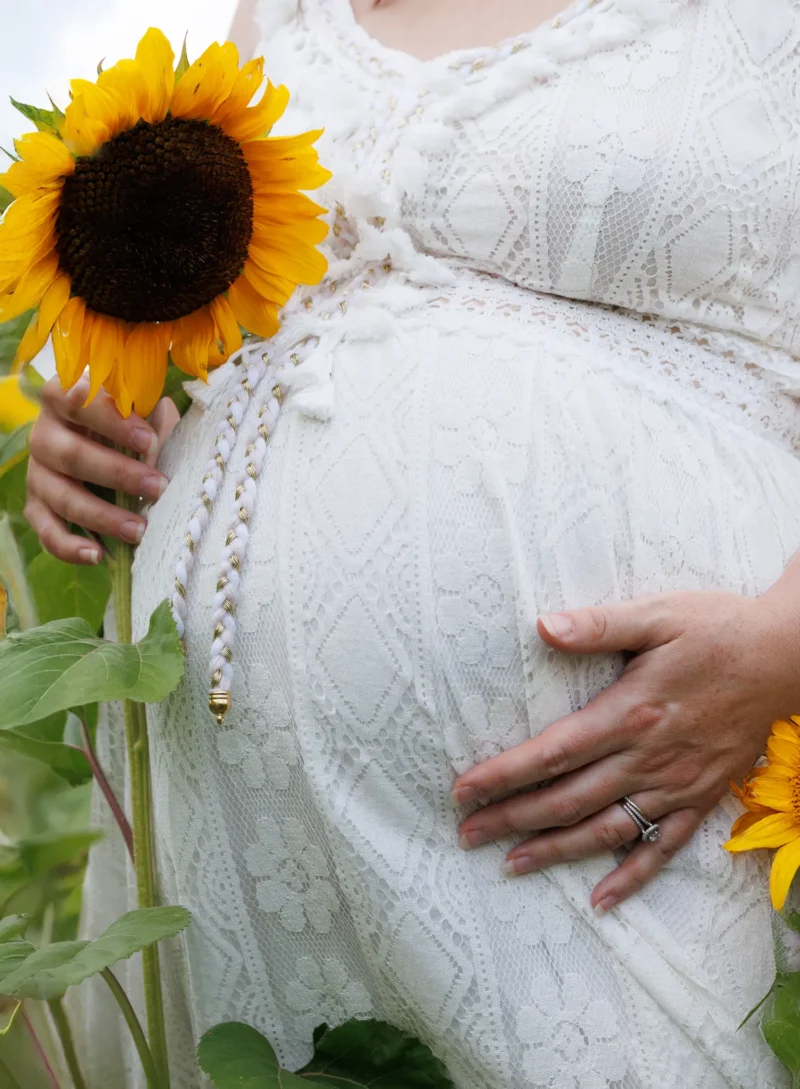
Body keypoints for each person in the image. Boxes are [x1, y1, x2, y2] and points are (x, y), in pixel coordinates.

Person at [27, 1, 800, 1086]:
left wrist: (784, 643)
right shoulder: (289, 10)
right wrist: (121, 400)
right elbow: (228, 311)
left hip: (630, 812)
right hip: (230, 836)